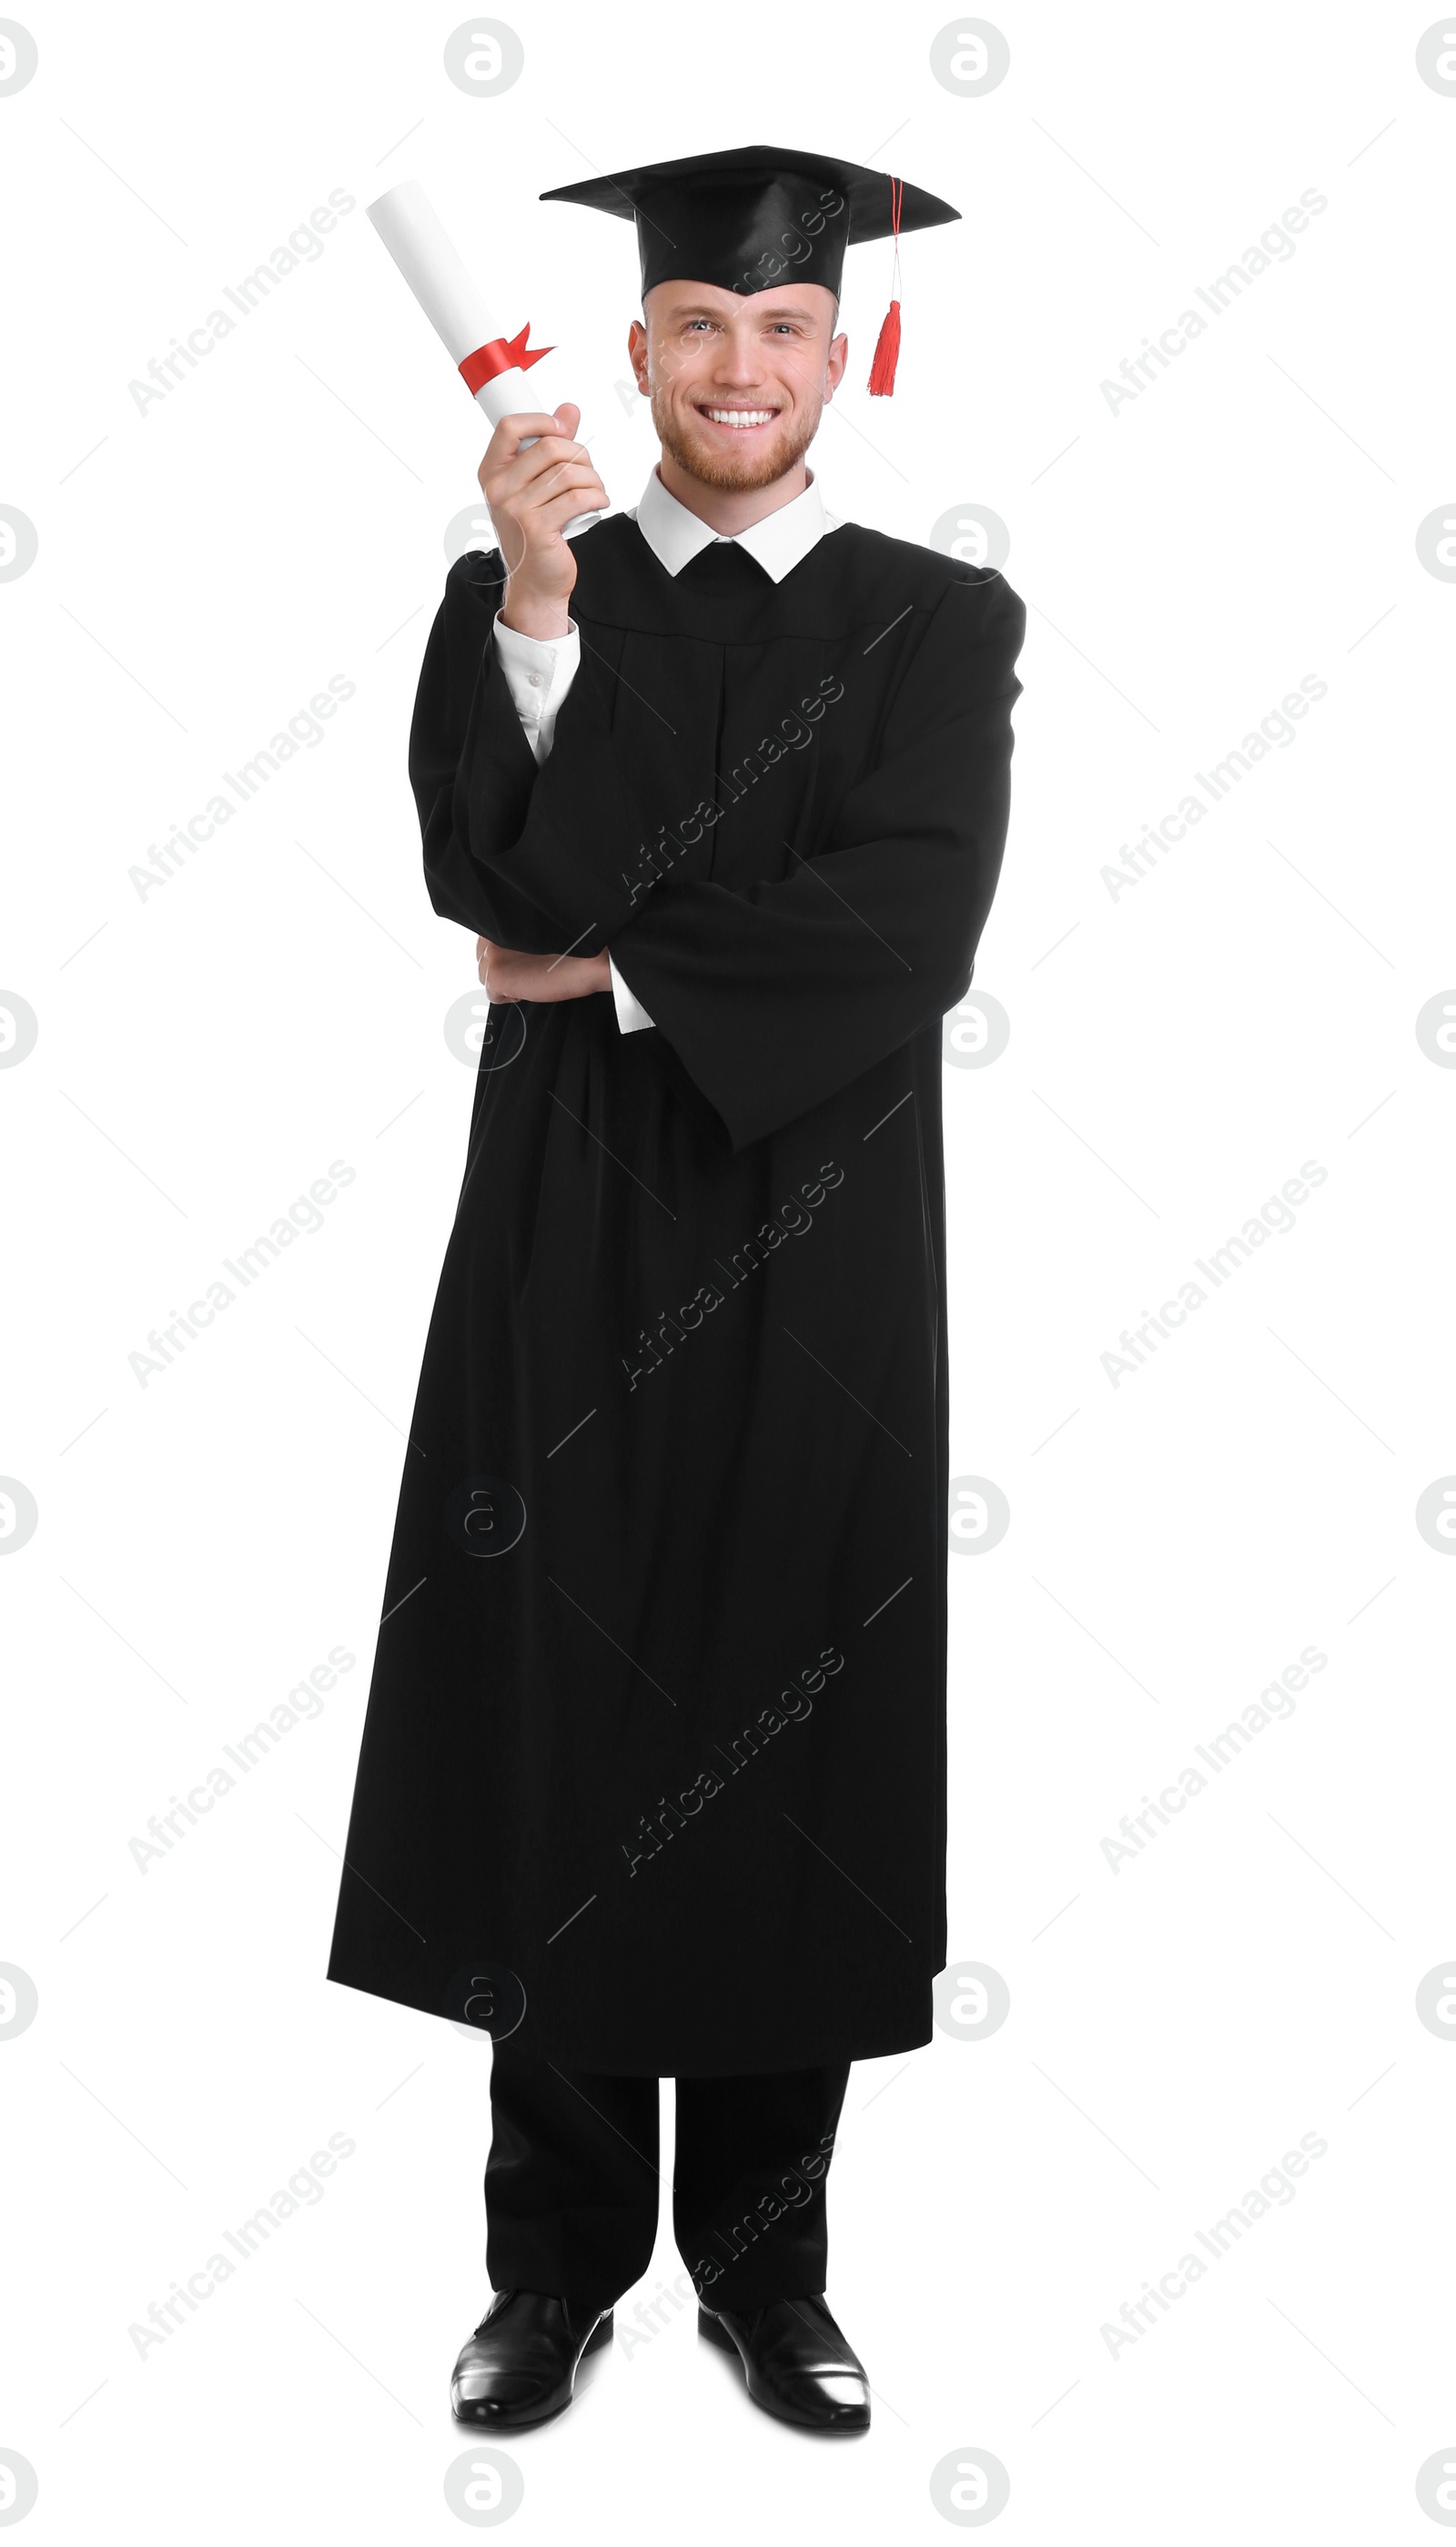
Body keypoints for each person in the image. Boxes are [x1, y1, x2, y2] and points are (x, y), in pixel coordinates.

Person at [328, 144, 1026, 2435]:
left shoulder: (935, 621)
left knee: (789, 1720)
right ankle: (549, 2271)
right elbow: (481, 876)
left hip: (822, 1247)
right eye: (700, 328)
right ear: (632, 350)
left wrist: (604, 958)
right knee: (559, 1706)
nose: (742, 366)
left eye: (784, 329)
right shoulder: (524, 584)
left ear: (847, 350)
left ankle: (768, 2267)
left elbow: (904, 934)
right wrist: (538, 603)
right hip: (563, 1231)